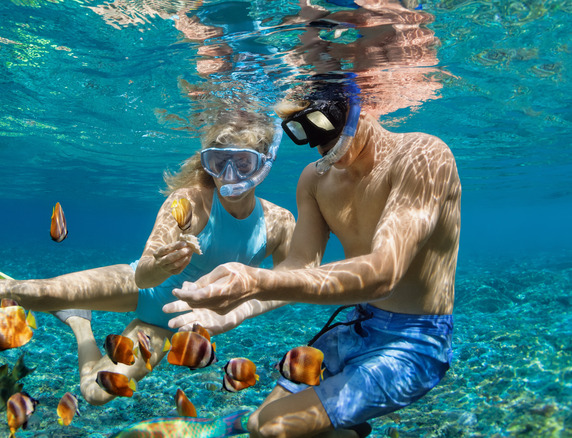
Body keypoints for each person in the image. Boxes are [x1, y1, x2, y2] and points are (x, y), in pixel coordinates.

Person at [0, 109, 296, 406]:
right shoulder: (191, 202)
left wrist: (240, 306)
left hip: (166, 325)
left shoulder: (279, 223)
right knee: (31, 291)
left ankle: (79, 322)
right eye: (218, 163)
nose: (229, 176)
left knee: (96, 394)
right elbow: (145, 270)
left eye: (242, 163)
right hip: (136, 285)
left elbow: (293, 282)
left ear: (264, 164)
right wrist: (162, 263)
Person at [164, 77, 460, 438]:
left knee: (272, 429)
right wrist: (238, 309)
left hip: (414, 341)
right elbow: (300, 265)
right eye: (303, 132)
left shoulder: (422, 155)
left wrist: (256, 282)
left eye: (322, 124)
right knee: (262, 423)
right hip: (356, 325)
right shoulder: (315, 180)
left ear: (357, 107)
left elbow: (386, 270)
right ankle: (343, 429)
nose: (320, 146)